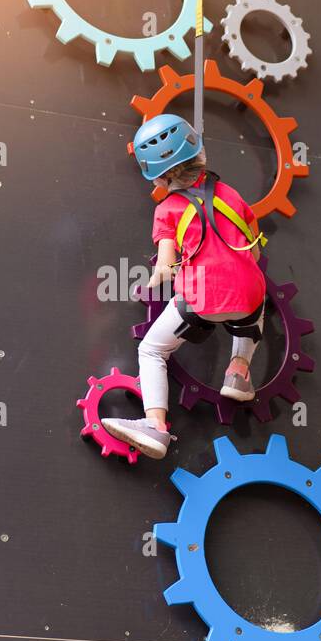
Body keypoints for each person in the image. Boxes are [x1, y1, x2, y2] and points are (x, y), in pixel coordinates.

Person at [101, 114, 267, 460]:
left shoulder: (167, 209)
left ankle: (155, 426)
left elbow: (165, 264)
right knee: (254, 307)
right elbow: (254, 251)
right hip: (248, 295)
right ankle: (238, 371)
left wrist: (158, 279)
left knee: (152, 351)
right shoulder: (231, 195)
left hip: (201, 300)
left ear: (157, 177)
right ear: (200, 153)